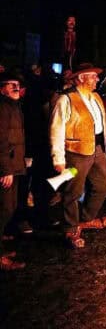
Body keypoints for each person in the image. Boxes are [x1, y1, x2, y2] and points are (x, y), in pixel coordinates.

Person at [49, 63, 106, 249]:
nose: (97, 79)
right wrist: (58, 159)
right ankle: (70, 229)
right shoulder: (66, 100)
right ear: (81, 78)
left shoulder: (96, 97)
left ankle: (83, 220)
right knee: (73, 192)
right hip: (76, 152)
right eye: (93, 76)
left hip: (98, 149)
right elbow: (56, 130)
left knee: (102, 185)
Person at [0, 73, 27, 270]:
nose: (16, 88)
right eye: (11, 85)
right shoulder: (3, 107)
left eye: (17, 85)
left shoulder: (13, 106)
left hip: (14, 164)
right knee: (4, 208)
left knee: (10, 206)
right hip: (7, 167)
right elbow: (1, 141)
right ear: (2, 88)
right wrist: (5, 169)